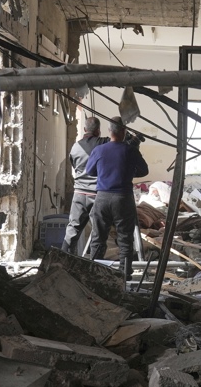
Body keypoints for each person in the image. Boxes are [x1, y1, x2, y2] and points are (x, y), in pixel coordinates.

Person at [85, 119, 149, 280]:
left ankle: (95, 273)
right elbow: (144, 171)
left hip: (102, 198)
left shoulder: (99, 150)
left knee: (98, 237)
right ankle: (124, 275)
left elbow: (90, 171)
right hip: (123, 199)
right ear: (124, 132)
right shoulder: (130, 150)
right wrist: (127, 171)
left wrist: (105, 172)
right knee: (125, 238)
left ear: (109, 131)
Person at [62, 116, 108, 252]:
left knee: (72, 229)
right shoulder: (102, 144)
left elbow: (74, 164)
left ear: (84, 129)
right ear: (98, 130)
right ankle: (95, 265)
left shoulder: (75, 147)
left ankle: (62, 260)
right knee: (98, 233)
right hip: (96, 194)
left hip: (79, 194)